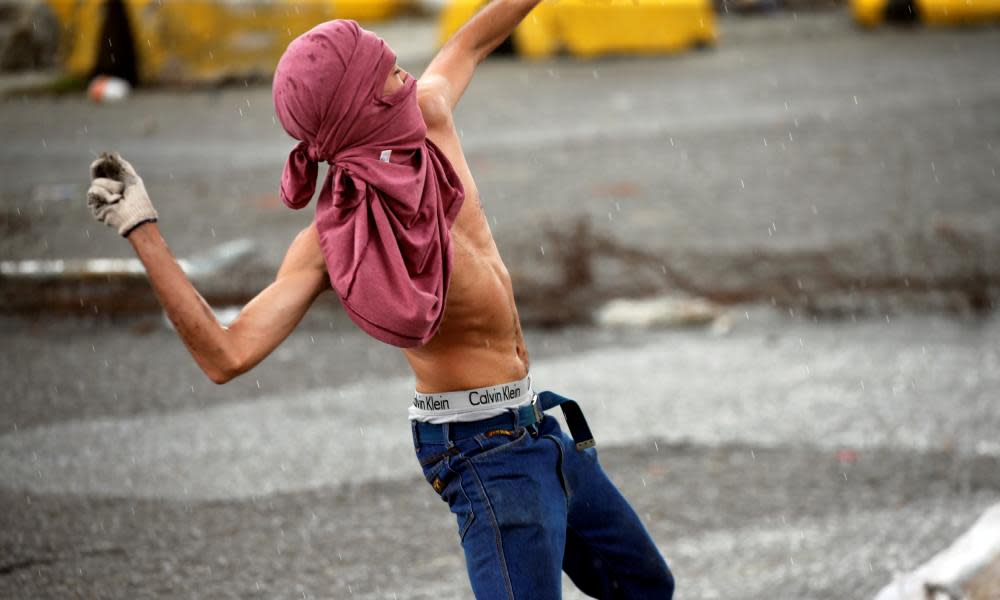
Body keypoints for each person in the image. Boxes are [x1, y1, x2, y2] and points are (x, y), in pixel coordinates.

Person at [85, 2, 674, 598]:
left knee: (646, 587)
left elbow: (470, 42)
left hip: (536, 425)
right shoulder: (338, 238)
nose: (408, 78)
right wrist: (143, 228)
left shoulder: (427, 115)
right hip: (482, 453)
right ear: (358, 111)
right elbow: (225, 354)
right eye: (390, 75)